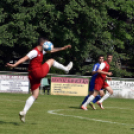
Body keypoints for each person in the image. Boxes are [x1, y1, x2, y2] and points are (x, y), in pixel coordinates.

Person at [6, 37, 73, 122]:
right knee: (51, 60)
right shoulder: (34, 52)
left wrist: (63, 48)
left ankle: (24, 112)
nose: (50, 47)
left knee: (35, 95)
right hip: (37, 72)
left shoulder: (42, 50)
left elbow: (52, 50)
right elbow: (24, 58)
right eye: (48, 44)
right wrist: (14, 65)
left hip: (32, 75)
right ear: (43, 44)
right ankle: (66, 69)